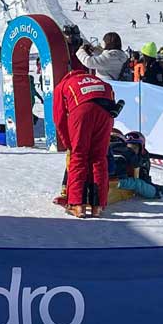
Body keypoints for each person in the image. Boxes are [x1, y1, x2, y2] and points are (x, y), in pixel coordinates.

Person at [53, 70, 121, 218]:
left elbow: (59, 118)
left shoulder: (63, 85)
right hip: (106, 113)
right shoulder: (102, 83)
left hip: (81, 111)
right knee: (99, 157)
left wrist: (68, 143)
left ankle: (77, 205)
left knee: (79, 156)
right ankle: (98, 206)